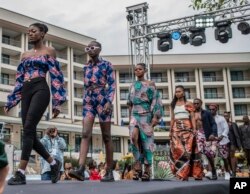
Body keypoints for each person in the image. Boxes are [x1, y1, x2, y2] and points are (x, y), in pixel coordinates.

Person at [4, 22, 66, 185]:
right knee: (29, 131)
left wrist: (57, 102)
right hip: (26, 89)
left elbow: (56, 77)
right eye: (28, 31)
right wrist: (12, 100)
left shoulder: (49, 51)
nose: (30, 33)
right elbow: (19, 80)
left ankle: (21, 172)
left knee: (29, 127)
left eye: (34, 31)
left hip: (41, 88)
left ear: (42, 34)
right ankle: (54, 164)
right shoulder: (24, 55)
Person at [69, 41, 115, 182]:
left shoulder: (107, 64)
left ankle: (109, 171)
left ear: (99, 49)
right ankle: (81, 169)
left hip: (102, 98)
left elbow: (112, 84)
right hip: (88, 99)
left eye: (92, 48)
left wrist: (109, 101)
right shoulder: (86, 66)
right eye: (87, 48)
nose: (89, 50)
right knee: (85, 133)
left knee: (106, 136)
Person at [127, 63, 163, 181]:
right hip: (134, 115)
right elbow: (129, 103)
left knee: (147, 142)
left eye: (140, 69)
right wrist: (129, 118)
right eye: (136, 69)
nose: (137, 71)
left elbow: (156, 100)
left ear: (145, 70)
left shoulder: (150, 84)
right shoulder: (132, 85)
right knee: (133, 138)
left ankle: (147, 169)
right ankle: (137, 166)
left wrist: (155, 117)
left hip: (146, 115)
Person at [169, 85, 203, 181]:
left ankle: (188, 174)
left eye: (179, 91)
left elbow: (192, 117)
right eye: (176, 92)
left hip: (187, 128)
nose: (177, 93)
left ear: (183, 92)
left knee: (188, 151)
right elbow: (172, 119)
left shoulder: (189, 103)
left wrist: (194, 129)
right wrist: (170, 130)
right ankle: (181, 173)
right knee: (178, 150)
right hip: (176, 128)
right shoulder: (173, 104)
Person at [193, 98, 218, 180]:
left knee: (208, 154)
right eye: (194, 103)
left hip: (206, 134)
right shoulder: (192, 113)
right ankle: (199, 173)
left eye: (197, 103)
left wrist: (213, 134)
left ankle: (213, 171)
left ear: (201, 104)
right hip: (196, 134)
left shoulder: (207, 113)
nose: (196, 105)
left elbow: (213, 124)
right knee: (198, 153)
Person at [209, 104, 230, 180]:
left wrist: (221, 136)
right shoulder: (208, 119)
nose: (211, 111)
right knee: (211, 156)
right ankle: (212, 173)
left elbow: (226, 128)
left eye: (213, 109)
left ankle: (227, 172)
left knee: (224, 157)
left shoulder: (221, 118)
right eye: (210, 109)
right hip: (212, 140)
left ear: (216, 109)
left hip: (222, 140)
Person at [224, 111, 242, 178]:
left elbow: (237, 135)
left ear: (229, 117)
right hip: (224, 143)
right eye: (224, 116)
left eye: (227, 116)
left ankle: (234, 172)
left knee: (232, 157)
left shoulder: (233, 124)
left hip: (232, 143)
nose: (226, 117)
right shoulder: (221, 124)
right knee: (227, 158)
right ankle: (231, 171)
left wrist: (239, 145)